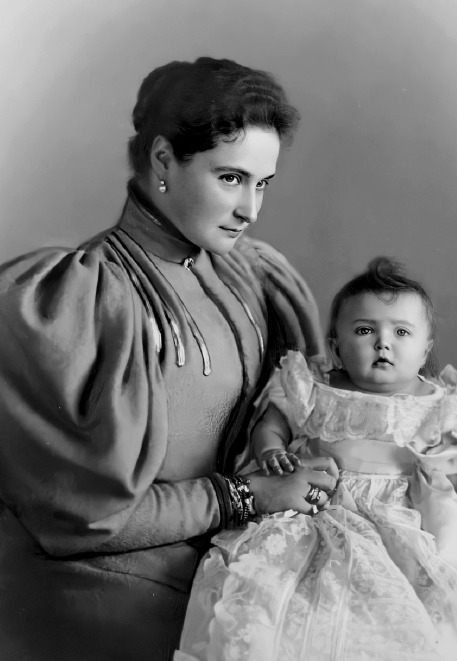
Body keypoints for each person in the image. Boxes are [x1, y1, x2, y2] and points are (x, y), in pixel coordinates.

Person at [0, 57, 338, 661]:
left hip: (234, 570)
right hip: (108, 590)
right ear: (162, 160)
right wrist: (242, 496)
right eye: (231, 178)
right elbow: (80, 520)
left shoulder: (254, 273)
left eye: (262, 183)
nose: (250, 210)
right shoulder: (78, 300)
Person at [177, 257, 457, 661]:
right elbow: (273, 421)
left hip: (405, 513)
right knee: (296, 592)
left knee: (419, 604)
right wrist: (271, 448)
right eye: (365, 330)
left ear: (424, 351)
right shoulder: (316, 390)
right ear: (336, 348)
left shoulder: (438, 401)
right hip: (323, 504)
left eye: (401, 332)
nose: (383, 343)